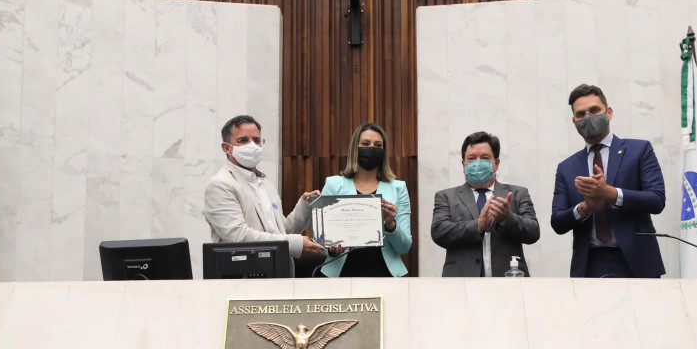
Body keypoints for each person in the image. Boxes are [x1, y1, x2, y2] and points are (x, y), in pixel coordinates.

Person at [551, 84, 666, 278]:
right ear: (574, 121)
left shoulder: (639, 150)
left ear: (609, 112)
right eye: (581, 114)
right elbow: (557, 222)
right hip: (589, 265)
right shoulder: (566, 167)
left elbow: (657, 200)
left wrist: (610, 193)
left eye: (595, 110)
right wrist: (584, 208)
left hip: (637, 261)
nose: (588, 117)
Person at [203, 115, 324, 272]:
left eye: (256, 140)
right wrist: (296, 244)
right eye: (243, 140)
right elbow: (238, 236)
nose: (252, 145)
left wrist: (305, 207)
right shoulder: (220, 184)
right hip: (245, 277)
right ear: (226, 148)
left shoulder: (264, 183)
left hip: (278, 272)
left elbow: (281, 234)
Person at [431, 131, 539, 277]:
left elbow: (533, 232)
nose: (477, 163)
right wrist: (477, 226)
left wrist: (507, 218)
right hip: (461, 283)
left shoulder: (517, 194)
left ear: (497, 163)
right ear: (463, 164)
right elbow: (439, 232)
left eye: (485, 158)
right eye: (471, 158)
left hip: (508, 282)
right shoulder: (446, 197)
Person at [318, 122, 411, 277]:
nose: (372, 148)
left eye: (378, 145)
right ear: (355, 148)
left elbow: (404, 247)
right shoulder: (333, 184)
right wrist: (331, 249)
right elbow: (321, 240)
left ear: (384, 151)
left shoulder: (398, 188)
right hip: (341, 274)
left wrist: (390, 224)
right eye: (366, 144)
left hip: (385, 274)